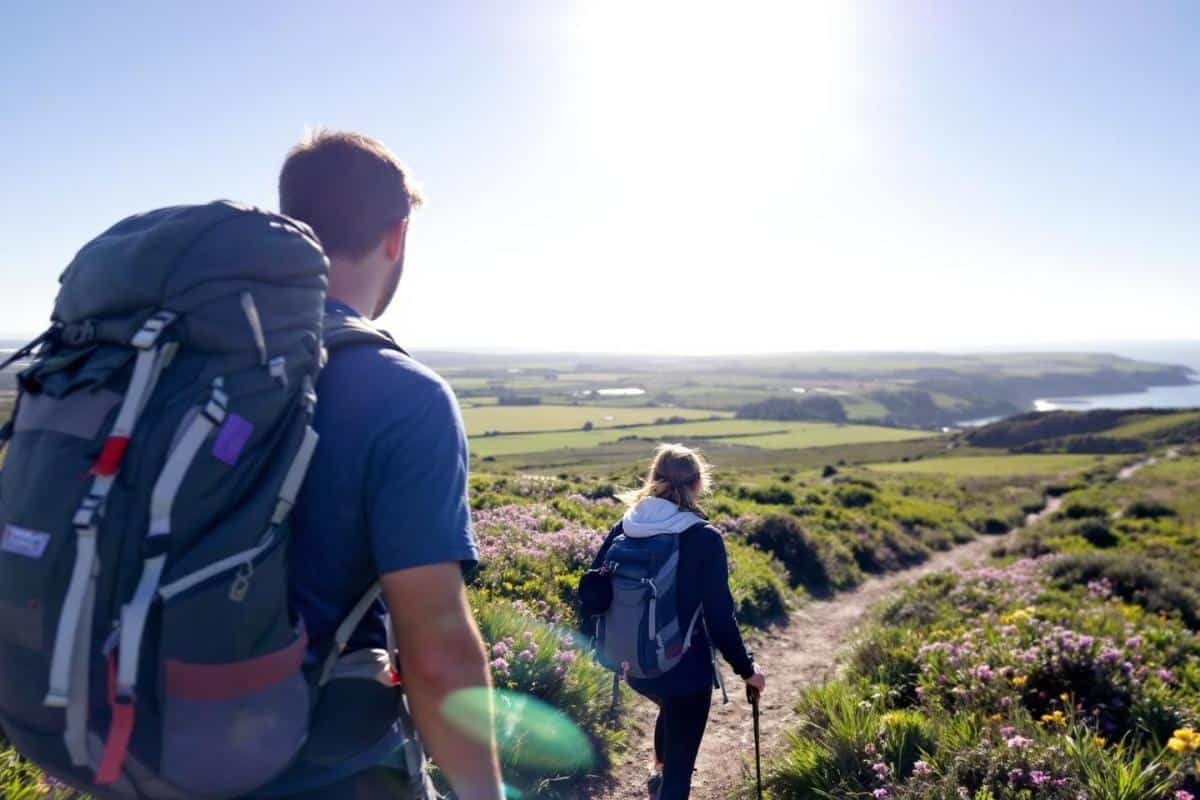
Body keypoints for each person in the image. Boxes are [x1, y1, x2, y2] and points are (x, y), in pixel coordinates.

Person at [256, 130, 504, 800]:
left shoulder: (193, 366)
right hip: (323, 773)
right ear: (397, 237)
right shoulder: (403, 396)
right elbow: (437, 653)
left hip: (144, 753)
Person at [589, 444, 766, 800]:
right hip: (685, 670)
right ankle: (666, 779)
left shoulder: (625, 526)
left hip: (634, 665)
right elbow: (719, 617)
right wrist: (747, 670)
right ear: (698, 484)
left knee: (669, 708)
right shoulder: (703, 537)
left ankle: (659, 769)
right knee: (680, 769)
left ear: (653, 478)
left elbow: (593, 591)